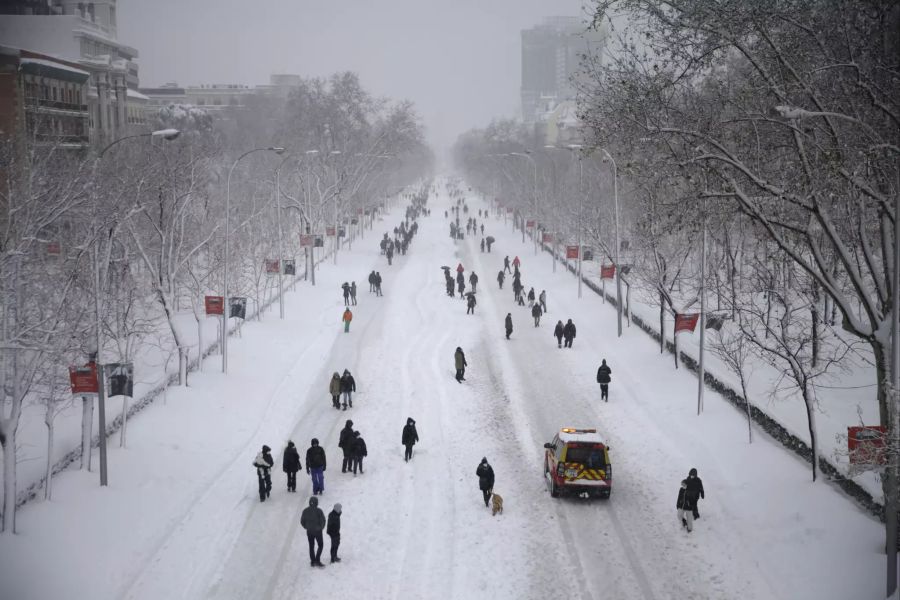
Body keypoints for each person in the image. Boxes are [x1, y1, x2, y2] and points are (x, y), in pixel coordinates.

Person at [300, 496, 327, 567]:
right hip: (318, 531)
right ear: (317, 503)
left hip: (309, 531)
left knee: (311, 546)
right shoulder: (319, 511)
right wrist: (321, 527)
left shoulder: (305, 511)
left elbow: (302, 521)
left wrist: (307, 527)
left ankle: (313, 561)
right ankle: (317, 560)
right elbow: (323, 520)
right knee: (320, 545)